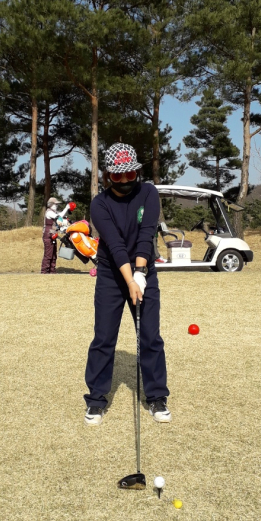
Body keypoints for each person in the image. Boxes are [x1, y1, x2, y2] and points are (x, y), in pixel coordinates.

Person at [83, 143, 171, 425]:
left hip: (144, 270)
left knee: (150, 337)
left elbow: (147, 234)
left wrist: (141, 274)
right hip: (111, 273)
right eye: (116, 176)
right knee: (104, 338)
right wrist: (129, 278)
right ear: (108, 176)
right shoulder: (99, 204)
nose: (124, 181)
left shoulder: (149, 193)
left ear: (137, 171)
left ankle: (156, 397)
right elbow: (115, 244)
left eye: (129, 174)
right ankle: (96, 399)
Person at [41, 196, 61, 274]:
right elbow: (58, 217)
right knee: (48, 254)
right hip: (47, 234)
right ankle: (44, 271)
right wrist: (67, 208)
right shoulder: (49, 212)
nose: (57, 206)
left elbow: (60, 215)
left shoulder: (54, 212)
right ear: (51, 204)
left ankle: (52, 271)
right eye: (55, 204)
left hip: (53, 234)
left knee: (53, 254)